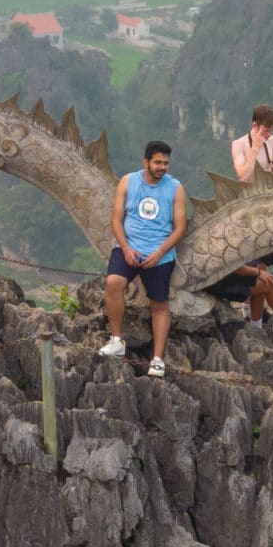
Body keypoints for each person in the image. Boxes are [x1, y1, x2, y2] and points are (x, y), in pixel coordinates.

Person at [100, 139, 187, 377]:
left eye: (166, 163)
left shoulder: (175, 188)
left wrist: (159, 253)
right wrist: (126, 249)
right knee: (113, 283)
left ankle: (157, 359)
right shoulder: (128, 182)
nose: (162, 167)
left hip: (160, 254)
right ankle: (117, 340)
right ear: (146, 162)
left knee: (159, 304)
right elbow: (116, 220)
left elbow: (180, 228)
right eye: (158, 162)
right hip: (128, 247)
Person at [211, 102, 273, 319]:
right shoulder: (239, 144)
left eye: (271, 129)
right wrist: (255, 147)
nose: (269, 133)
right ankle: (258, 318)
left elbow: (272, 169)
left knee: (264, 265)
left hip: (269, 206)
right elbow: (243, 175)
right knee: (255, 264)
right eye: (265, 129)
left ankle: (256, 320)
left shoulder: (272, 141)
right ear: (255, 125)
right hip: (248, 207)